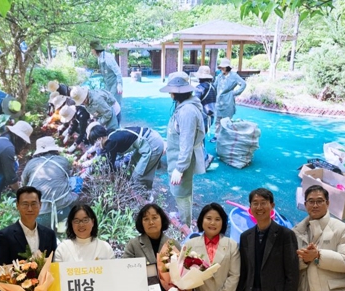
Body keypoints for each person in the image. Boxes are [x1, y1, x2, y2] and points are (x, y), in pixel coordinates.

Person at [159, 73, 206, 230]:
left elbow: (186, 143)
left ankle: (186, 226)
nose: (170, 94)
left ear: (176, 93)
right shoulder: (184, 106)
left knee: (182, 193)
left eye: (171, 91)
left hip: (181, 159)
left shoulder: (187, 111)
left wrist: (180, 168)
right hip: (177, 156)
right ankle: (184, 217)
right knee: (182, 190)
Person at [22, 136, 79, 230]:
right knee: (76, 180)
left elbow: (23, 185)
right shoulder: (62, 160)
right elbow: (67, 178)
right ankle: (62, 224)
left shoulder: (31, 164)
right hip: (63, 210)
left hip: (38, 215)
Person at [87, 124, 164, 190]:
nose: (96, 146)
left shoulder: (111, 142)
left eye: (95, 143)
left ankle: (146, 197)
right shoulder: (110, 134)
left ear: (100, 139)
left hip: (153, 144)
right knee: (132, 165)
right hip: (149, 137)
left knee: (139, 175)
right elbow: (105, 156)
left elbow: (109, 166)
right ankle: (135, 189)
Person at [212, 58, 246, 142]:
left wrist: (235, 93)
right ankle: (216, 136)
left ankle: (226, 136)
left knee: (227, 119)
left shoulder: (234, 75)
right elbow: (214, 86)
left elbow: (243, 84)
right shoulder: (220, 76)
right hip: (219, 100)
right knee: (218, 119)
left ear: (227, 67)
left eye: (223, 67)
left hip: (228, 100)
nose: (222, 69)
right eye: (221, 67)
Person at [90, 40, 123, 106]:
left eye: (91, 49)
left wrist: (119, 84)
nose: (91, 52)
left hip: (115, 83)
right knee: (108, 103)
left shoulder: (108, 57)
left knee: (115, 104)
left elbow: (118, 71)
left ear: (95, 49)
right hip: (107, 84)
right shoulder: (99, 58)